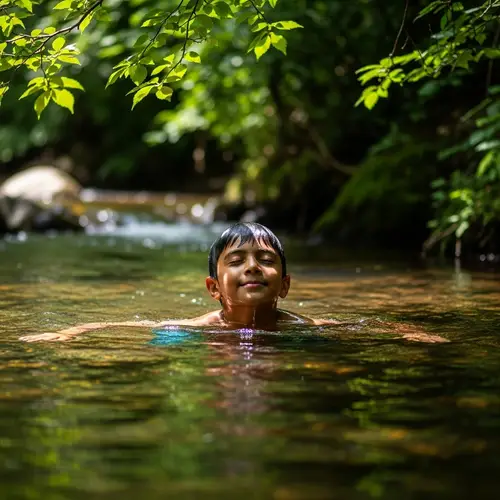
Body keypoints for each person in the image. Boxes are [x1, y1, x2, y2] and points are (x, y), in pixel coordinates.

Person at [19, 222, 448, 343]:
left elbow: (362, 327)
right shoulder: (204, 328)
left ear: (284, 285)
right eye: (237, 260)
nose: (253, 267)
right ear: (214, 288)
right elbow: (131, 326)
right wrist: (70, 331)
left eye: (265, 260)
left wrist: (410, 331)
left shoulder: (300, 326)